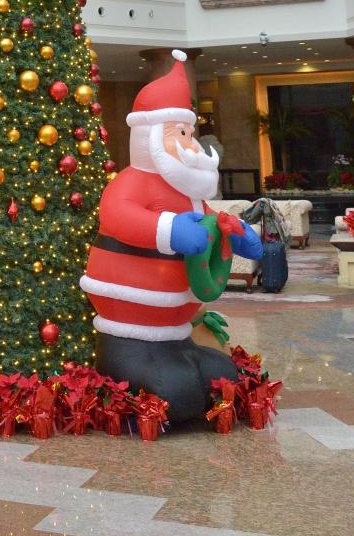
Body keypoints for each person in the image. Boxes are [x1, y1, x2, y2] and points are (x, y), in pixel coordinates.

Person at [80, 51, 262, 421]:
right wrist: (170, 229)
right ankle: (137, 368)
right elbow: (118, 215)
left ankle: (178, 353)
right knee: (175, 393)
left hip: (177, 330)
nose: (190, 143)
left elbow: (210, 223)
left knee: (223, 377)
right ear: (149, 137)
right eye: (179, 133)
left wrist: (236, 232)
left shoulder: (189, 194)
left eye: (189, 133)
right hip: (129, 329)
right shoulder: (130, 182)